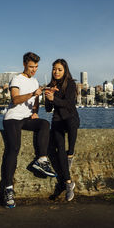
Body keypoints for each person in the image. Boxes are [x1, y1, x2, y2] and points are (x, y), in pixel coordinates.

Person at [1, 52, 56, 209]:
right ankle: (8, 189)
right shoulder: (17, 79)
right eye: (31, 66)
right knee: (13, 149)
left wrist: (35, 111)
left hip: (26, 119)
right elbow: (15, 99)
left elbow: (36, 100)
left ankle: (42, 160)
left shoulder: (35, 81)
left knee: (44, 124)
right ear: (24, 64)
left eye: (36, 67)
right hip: (12, 119)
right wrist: (33, 93)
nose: (34, 70)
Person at [45, 59, 80, 201]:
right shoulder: (50, 86)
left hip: (71, 118)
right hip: (57, 120)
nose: (56, 72)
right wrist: (48, 97)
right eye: (54, 69)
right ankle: (68, 183)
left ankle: (70, 154)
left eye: (59, 69)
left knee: (71, 122)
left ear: (65, 70)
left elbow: (69, 104)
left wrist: (55, 98)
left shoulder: (70, 84)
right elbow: (48, 109)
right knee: (59, 148)